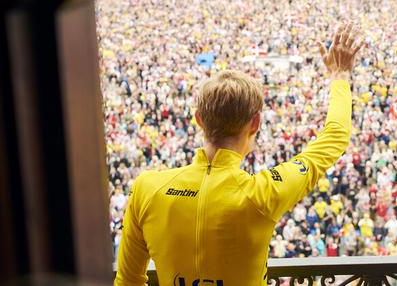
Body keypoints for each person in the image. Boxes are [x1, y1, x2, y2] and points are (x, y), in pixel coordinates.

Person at [114, 22, 364, 286]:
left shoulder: (146, 188)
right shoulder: (263, 193)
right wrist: (339, 76)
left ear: (199, 120)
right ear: (255, 123)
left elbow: (128, 281)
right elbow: (335, 136)